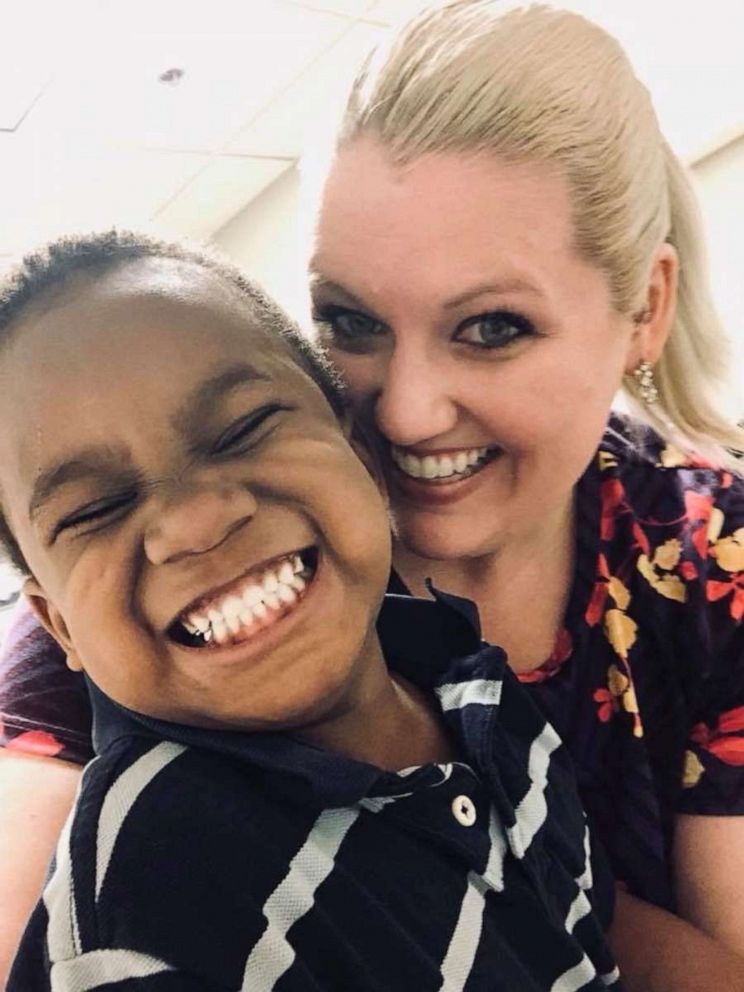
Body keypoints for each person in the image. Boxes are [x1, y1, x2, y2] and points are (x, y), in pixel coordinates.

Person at [1, 2, 744, 988]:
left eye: (491, 327)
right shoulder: (157, 642)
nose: (402, 413)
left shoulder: (678, 573)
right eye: (349, 321)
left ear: (643, 308)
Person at [2, 230, 620, 990]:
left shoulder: (476, 687)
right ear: (58, 623)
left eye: (243, 428)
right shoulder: (149, 905)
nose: (196, 520)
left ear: (361, 456)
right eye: (97, 507)